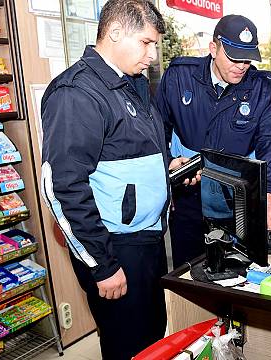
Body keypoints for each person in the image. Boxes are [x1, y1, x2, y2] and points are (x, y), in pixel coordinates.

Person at [40, 1, 177, 358]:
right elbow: (62, 187)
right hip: (115, 247)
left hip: (146, 240)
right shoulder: (76, 92)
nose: (152, 53)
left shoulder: (132, 83)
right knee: (127, 345)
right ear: (116, 33)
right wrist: (102, 265)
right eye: (146, 42)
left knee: (152, 338)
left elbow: (129, 152)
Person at [155, 15, 271, 268]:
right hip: (188, 199)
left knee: (237, 277)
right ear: (213, 49)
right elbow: (154, 132)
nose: (241, 66)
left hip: (236, 203)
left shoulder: (263, 88)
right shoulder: (179, 77)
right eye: (233, 57)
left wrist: (269, 195)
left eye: (247, 59)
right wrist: (169, 164)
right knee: (188, 277)